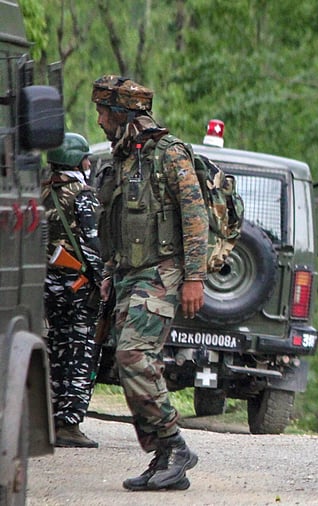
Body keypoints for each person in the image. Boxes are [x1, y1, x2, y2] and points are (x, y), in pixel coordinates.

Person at [92, 75, 206, 491]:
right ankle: (164, 458)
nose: (100, 119)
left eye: (105, 111)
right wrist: (109, 273)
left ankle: (175, 445)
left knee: (133, 356)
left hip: (162, 271)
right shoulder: (122, 157)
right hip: (127, 274)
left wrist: (195, 277)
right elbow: (116, 224)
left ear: (123, 113)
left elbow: (196, 217)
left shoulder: (167, 153)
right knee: (134, 364)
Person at [41, 132, 104, 448]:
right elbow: (92, 245)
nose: (89, 163)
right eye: (86, 158)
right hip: (77, 287)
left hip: (45, 287)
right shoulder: (84, 196)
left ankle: (47, 418)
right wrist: (103, 279)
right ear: (77, 161)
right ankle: (69, 425)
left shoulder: (40, 192)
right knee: (79, 351)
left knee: (52, 349)